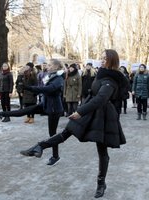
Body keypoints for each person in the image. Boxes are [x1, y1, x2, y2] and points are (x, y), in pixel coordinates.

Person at [19, 49, 127, 198]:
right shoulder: (101, 73)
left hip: (102, 115)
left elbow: (101, 99)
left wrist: (80, 111)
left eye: (105, 58)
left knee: (102, 151)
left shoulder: (111, 79)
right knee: (67, 131)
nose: (102, 60)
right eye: (101, 58)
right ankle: (39, 146)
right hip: (90, 108)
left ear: (112, 60)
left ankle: (101, 183)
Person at [0, 59, 65, 166]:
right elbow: (43, 88)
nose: (48, 66)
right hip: (45, 105)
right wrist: (27, 86)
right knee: (25, 110)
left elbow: (48, 89)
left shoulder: (59, 78)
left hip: (54, 109)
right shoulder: (51, 76)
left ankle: (55, 156)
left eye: (50, 65)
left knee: (52, 134)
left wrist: (29, 88)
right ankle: (1, 114)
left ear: (56, 67)